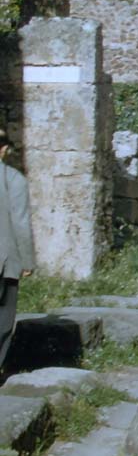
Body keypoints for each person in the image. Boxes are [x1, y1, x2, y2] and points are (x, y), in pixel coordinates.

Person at [0, 128, 34, 370]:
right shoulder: (13, 179)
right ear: (3, 149)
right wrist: (28, 261)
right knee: (3, 318)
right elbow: (20, 223)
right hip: (4, 260)